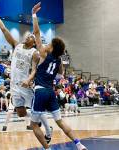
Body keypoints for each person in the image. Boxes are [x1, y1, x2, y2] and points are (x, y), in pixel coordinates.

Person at [0, 4, 53, 141]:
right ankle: (41, 122)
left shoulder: (34, 53)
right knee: (20, 113)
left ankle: (48, 129)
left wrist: (29, 79)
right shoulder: (16, 45)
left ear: (34, 42)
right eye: (28, 35)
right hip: (14, 85)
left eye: (30, 36)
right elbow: (3, 29)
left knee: (36, 110)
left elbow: (35, 69)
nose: (27, 36)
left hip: (25, 85)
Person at [30, 2, 87, 150]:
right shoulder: (59, 60)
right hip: (50, 92)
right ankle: (79, 145)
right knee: (60, 122)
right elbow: (61, 74)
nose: (46, 44)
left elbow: (36, 33)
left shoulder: (43, 54)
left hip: (41, 90)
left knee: (34, 124)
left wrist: (34, 14)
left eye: (49, 43)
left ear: (52, 47)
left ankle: (47, 149)